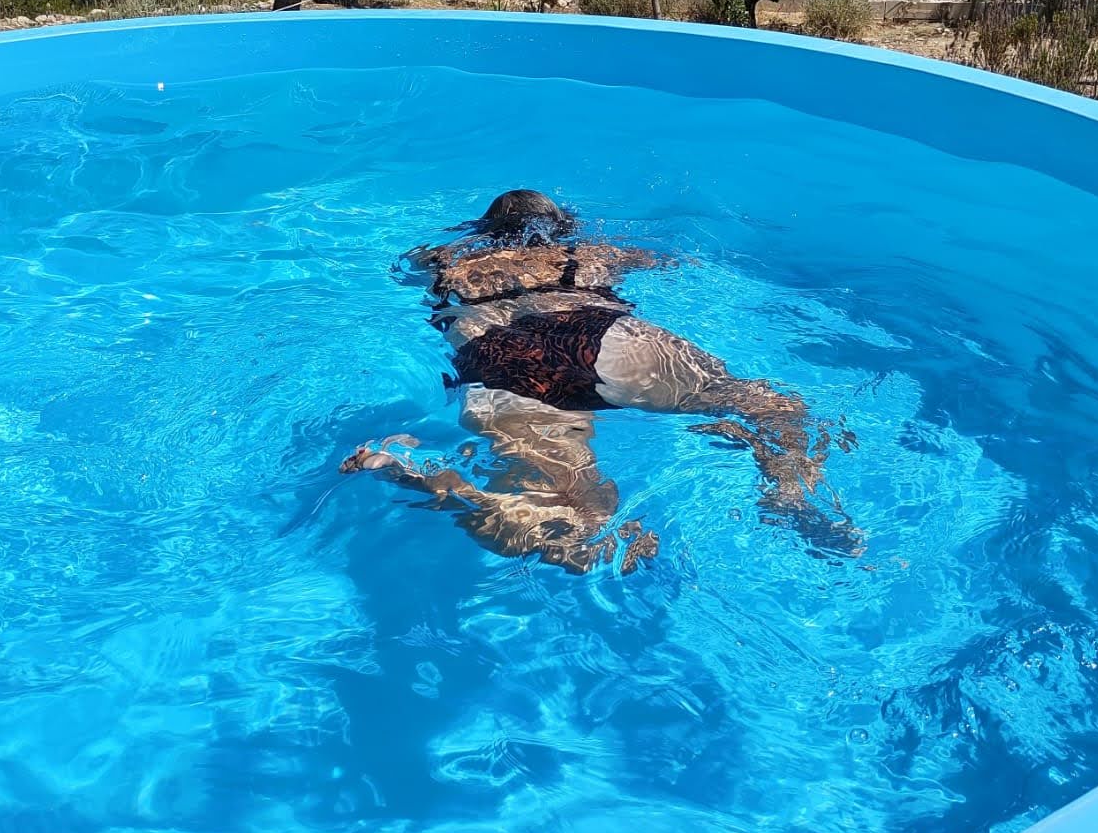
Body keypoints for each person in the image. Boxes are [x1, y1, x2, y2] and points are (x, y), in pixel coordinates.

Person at [341, 189, 852, 573]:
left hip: (500, 363)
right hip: (601, 338)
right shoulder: (592, 253)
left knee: (562, 517)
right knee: (775, 409)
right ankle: (788, 490)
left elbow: (398, 275)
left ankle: (415, 472)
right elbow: (675, 262)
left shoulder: (442, 262)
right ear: (561, 224)